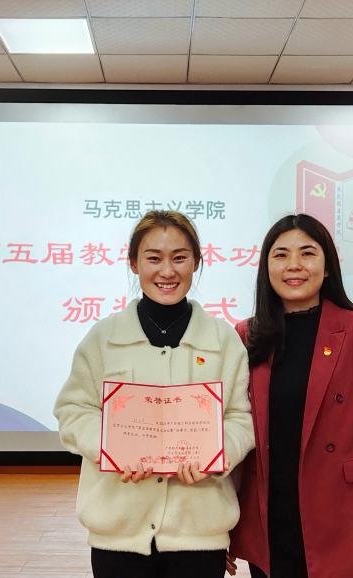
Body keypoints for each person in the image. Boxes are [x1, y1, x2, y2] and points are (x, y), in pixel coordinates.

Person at [54, 210, 255, 578]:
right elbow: (73, 410)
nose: (167, 271)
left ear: (196, 261)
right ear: (134, 263)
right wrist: (112, 448)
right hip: (118, 532)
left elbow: (241, 418)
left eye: (179, 258)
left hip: (198, 532)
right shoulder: (104, 338)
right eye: (153, 258)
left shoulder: (223, 340)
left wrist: (215, 454)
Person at [228, 214, 353, 578]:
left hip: (338, 517)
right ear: (266, 268)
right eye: (281, 255)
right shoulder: (246, 335)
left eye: (307, 253)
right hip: (267, 519)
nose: (294, 265)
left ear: (327, 267)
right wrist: (222, 527)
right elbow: (233, 433)